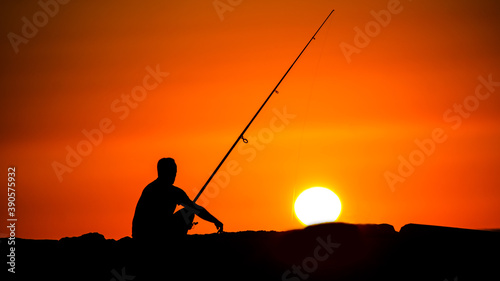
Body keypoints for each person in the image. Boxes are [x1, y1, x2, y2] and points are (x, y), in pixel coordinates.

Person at [132, 157, 223, 240]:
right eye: (172, 172)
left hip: (139, 234)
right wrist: (215, 221)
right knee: (189, 212)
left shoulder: (149, 188)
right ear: (164, 172)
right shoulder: (173, 192)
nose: (174, 175)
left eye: (175, 172)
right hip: (151, 234)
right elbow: (195, 208)